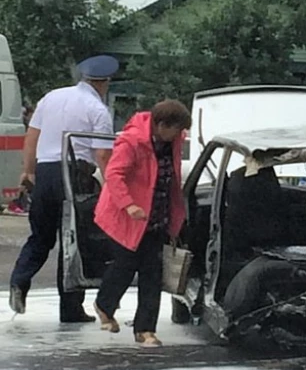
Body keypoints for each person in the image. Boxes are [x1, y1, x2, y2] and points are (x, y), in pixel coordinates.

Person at [9, 55, 119, 321]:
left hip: (45, 173)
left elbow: (31, 138)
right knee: (74, 241)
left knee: (40, 236)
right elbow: (103, 156)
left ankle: (19, 280)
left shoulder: (51, 97)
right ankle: (70, 308)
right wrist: (113, 188)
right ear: (104, 83)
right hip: (74, 174)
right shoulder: (98, 110)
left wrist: (28, 172)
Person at [93, 99, 191, 347]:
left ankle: (145, 329)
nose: (179, 135)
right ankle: (104, 305)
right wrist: (129, 205)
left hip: (157, 216)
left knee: (152, 273)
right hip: (126, 216)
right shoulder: (132, 141)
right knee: (125, 264)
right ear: (161, 125)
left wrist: (176, 217)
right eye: (176, 129)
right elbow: (114, 175)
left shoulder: (172, 141)